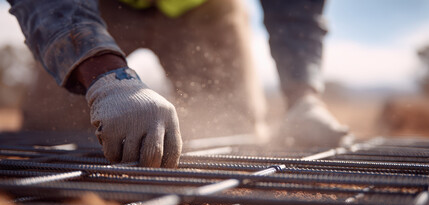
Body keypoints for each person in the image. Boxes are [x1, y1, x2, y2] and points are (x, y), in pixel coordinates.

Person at [7, 0, 349, 167]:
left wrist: (303, 96)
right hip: (92, 7)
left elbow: (295, 6)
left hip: (204, 8)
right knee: (49, 139)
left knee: (236, 134)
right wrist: (104, 76)